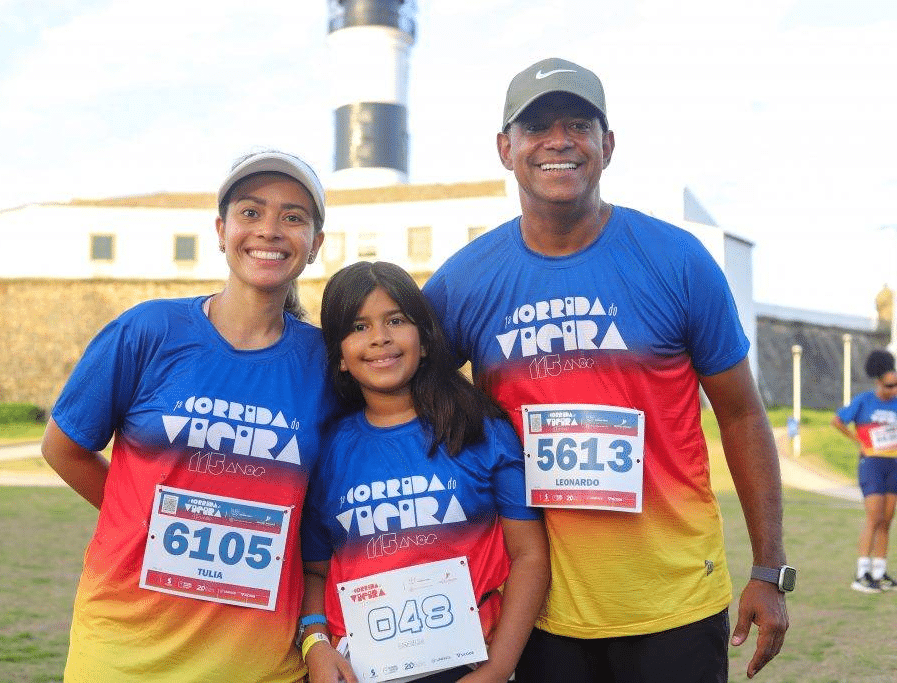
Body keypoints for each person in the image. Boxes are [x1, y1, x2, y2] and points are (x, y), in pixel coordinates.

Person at [422, 58, 792, 682]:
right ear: (505, 148)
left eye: (579, 124)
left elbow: (742, 414)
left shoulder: (676, 260)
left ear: (607, 145)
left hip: (676, 604)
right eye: (536, 126)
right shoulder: (466, 282)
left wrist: (769, 567)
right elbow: (397, 398)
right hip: (541, 614)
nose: (559, 140)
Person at [42, 149, 337, 682]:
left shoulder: (324, 363)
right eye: (251, 212)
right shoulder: (148, 332)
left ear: (315, 245)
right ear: (222, 231)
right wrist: (142, 519)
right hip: (125, 645)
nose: (269, 230)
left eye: (293, 217)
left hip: (258, 658)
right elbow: (63, 447)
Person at [299, 261, 550, 683]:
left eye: (395, 320)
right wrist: (314, 644)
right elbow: (316, 571)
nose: (380, 337)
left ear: (426, 340)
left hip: (469, 667)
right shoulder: (326, 451)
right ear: (339, 357)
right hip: (361, 670)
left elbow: (530, 556)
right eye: (358, 327)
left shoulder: (480, 429)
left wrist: (500, 667)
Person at [832, 349, 897, 593]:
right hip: (871, 465)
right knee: (874, 517)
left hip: (893, 465)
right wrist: (858, 441)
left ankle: (880, 573)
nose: (894, 389)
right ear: (878, 383)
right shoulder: (864, 401)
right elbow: (837, 420)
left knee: (887, 520)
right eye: (890, 386)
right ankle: (862, 574)